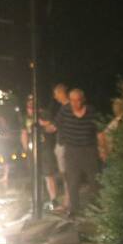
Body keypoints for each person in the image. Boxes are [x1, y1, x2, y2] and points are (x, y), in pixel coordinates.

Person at [45, 88, 101, 218]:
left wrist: (102, 149)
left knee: (94, 181)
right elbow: (56, 124)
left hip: (89, 149)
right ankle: (74, 210)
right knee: (72, 181)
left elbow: (99, 131)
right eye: (72, 101)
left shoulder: (91, 111)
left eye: (78, 100)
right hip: (72, 149)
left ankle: (96, 208)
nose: (76, 103)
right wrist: (47, 128)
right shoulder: (65, 111)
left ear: (83, 100)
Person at [23, 94, 59, 209]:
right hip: (32, 151)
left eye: (32, 106)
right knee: (35, 175)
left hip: (45, 149)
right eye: (28, 106)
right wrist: (26, 148)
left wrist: (41, 122)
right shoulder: (26, 118)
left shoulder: (44, 114)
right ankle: (38, 200)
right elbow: (23, 133)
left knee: (49, 175)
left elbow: (52, 127)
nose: (30, 108)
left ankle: (54, 200)